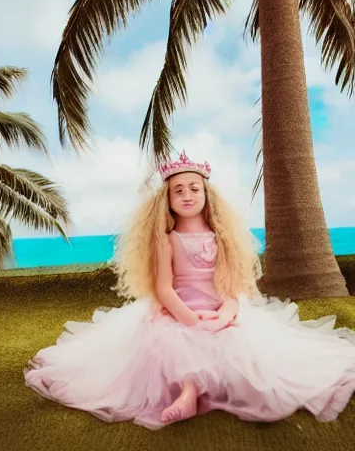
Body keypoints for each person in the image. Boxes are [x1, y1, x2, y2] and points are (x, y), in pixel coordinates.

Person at [24, 150, 355, 430]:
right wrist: (189, 319)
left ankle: (204, 387)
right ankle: (188, 393)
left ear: (206, 195)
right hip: (177, 307)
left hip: (217, 305)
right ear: (166, 200)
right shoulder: (167, 240)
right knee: (172, 337)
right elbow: (164, 288)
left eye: (194, 188)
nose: (186, 195)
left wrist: (224, 314)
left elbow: (232, 286)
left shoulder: (221, 237)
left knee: (237, 340)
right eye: (178, 190)